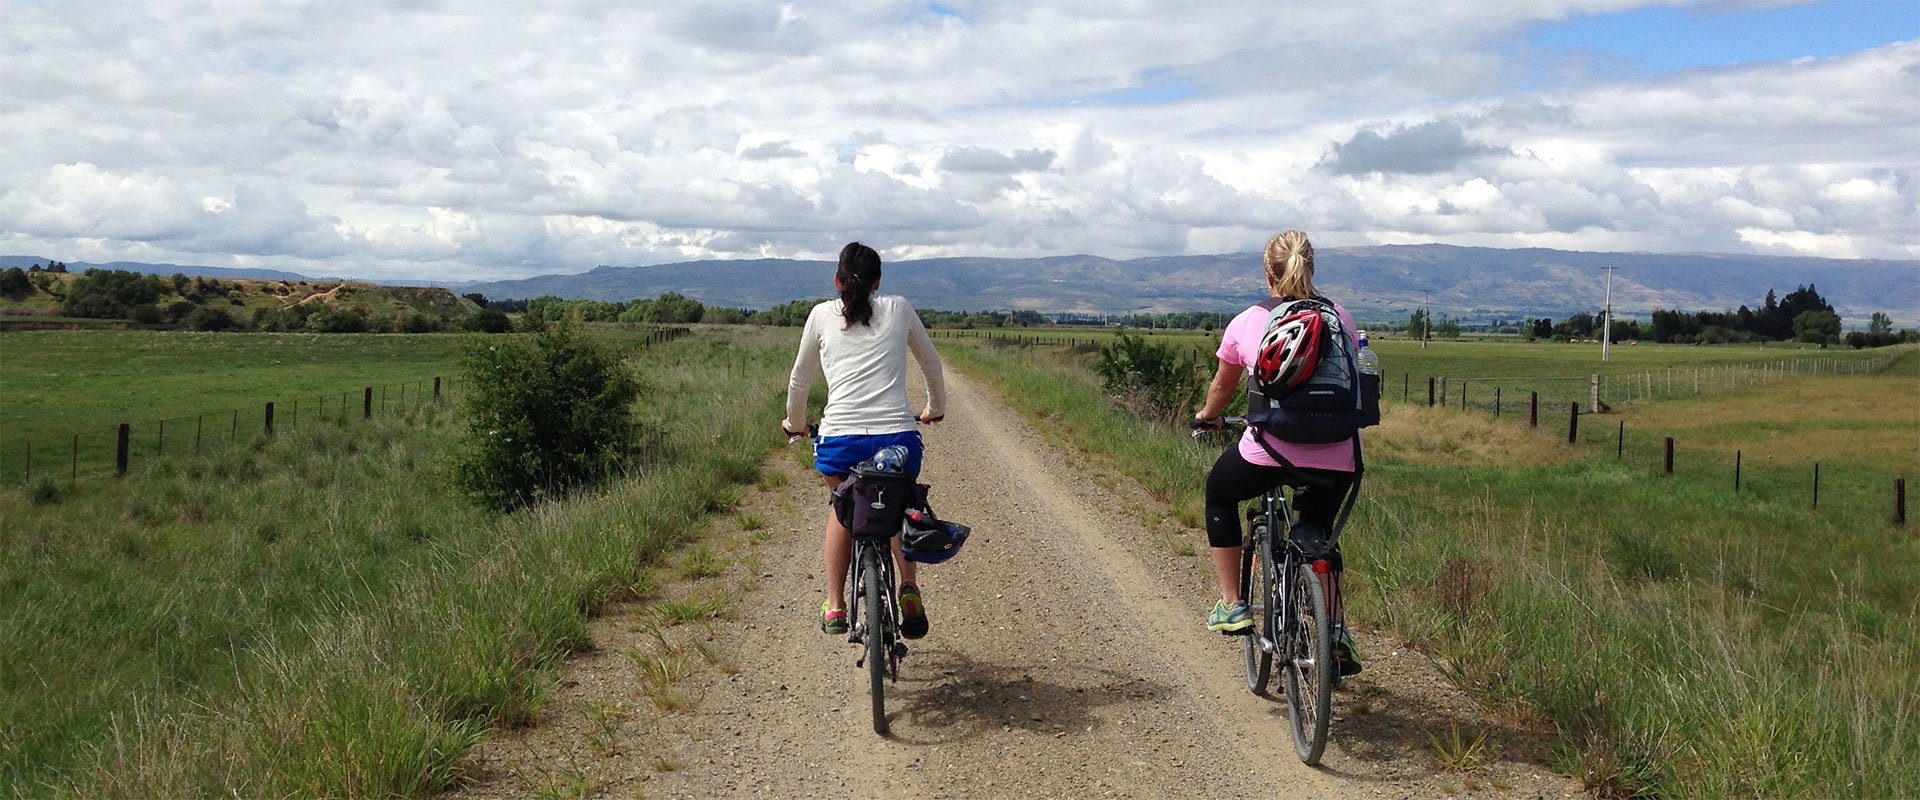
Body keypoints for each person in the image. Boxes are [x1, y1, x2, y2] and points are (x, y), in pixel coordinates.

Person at [1192, 230, 1363, 675]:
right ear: (1312, 268)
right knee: (1320, 532)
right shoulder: (1341, 317)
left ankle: (1232, 604)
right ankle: (1335, 630)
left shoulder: (1248, 321)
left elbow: (1222, 386)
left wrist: (1208, 416)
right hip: (1339, 453)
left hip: (1270, 450)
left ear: (1267, 274)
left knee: (1219, 493)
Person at [782, 242, 947, 639]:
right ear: (878, 282)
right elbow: (930, 363)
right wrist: (934, 408)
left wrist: (795, 423)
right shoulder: (899, 308)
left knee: (843, 508)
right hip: (899, 439)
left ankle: (835, 606)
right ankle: (908, 588)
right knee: (897, 503)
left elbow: (799, 380)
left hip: (840, 441)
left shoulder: (821, 315)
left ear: (837, 280)